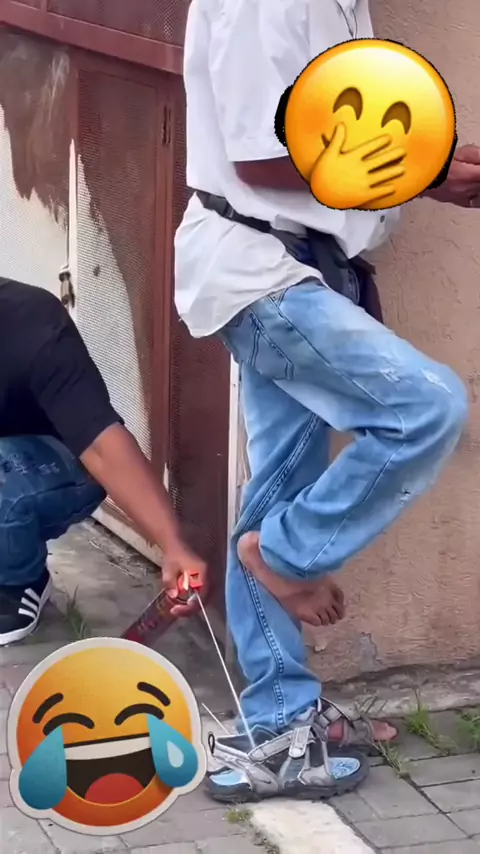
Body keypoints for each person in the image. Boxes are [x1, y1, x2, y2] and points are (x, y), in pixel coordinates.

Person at [174, 0, 480, 802]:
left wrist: (435, 165)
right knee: (426, 408)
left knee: (276, 487)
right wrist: (425, 172)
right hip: (262, 272)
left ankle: (278, 729)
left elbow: (339, 133)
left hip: (304, 269)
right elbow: (261, 157)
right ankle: (285, 558)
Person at [0, 277, 207, 646]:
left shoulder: (29, 318)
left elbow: (100, 444)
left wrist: (171, 543)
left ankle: (18, 582)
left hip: (62, 464)